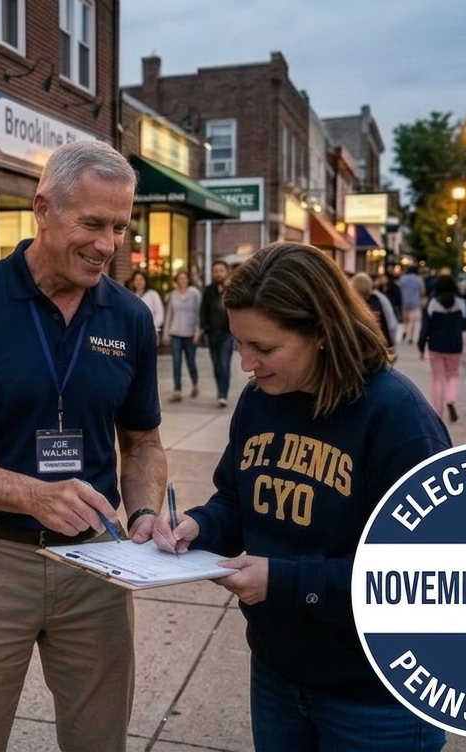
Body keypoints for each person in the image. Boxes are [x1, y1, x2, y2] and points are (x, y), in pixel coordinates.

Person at [0, 140, 168, 752]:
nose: (107, 244)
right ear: (43, 210)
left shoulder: (129, 316)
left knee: (99, 738)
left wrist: (144, 514)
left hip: (96, 563)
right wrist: (32, 494)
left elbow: (143, 443)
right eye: (92, 223)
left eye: (119, 227)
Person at [153, 242, 450, 752]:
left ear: (320, 333)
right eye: (239, 343)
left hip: (375, 696)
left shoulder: (397, 418)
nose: (246, 363)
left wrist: (287, 581)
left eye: (264, 349)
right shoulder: (259, 400)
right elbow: (236, 499)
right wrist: (200, 525)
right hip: (277, 670)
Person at [419, 274, 466, 423]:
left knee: (437, 379)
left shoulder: (433, 303)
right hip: (454, 345)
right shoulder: (460, 303)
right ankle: (451, 399)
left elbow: (425, 327)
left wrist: (421, 346)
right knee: (453, 376)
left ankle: (438, 413)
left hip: (435, 345)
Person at [198, 260, 234, 407]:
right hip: (212, 333)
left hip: (227, 333)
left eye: (221, 270)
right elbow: (203, 310)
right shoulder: (209, 290)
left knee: (224, 364)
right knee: (216, 365)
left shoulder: (232, 289)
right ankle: (220, 390)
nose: (218, 273)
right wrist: (202, 327)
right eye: (216, 271)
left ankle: (223, 394)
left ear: (226, 272)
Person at [162, 269, 201, 402]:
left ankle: (195, 383)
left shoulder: (194, 293)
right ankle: (177, 390)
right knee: (176, 362)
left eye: (184, 278)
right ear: (177, 281)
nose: (182, 281)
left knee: (190, 361)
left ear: (188, 280)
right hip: (175, 333)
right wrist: (166, 333)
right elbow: (169, 314)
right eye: (180, 279)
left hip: (190, 334)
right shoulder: (173, 295)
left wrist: (197, 332)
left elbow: (198, 314)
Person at [350, 272, 398, 352]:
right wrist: (391, 344)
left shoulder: (350, 302)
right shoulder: (380, 299)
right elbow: (391, 322)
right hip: (379, 345)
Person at [128, 270, 163, 342]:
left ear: (145, 281)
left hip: (150, 333)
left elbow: (160, 315)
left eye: (141, 279)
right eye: (136, 280)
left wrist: (151, 328)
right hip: (133, 334)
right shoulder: (130, 296)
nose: (139, 282)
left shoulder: (153, 295)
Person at [397, 265, 426, 344]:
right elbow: (422, 291)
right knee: (413, 321)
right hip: (415, 302)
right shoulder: (418, 279)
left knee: (406, 320)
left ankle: (405, 330)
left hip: (404, 301)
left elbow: (398, 288)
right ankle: (411, 337)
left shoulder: (403, 279)